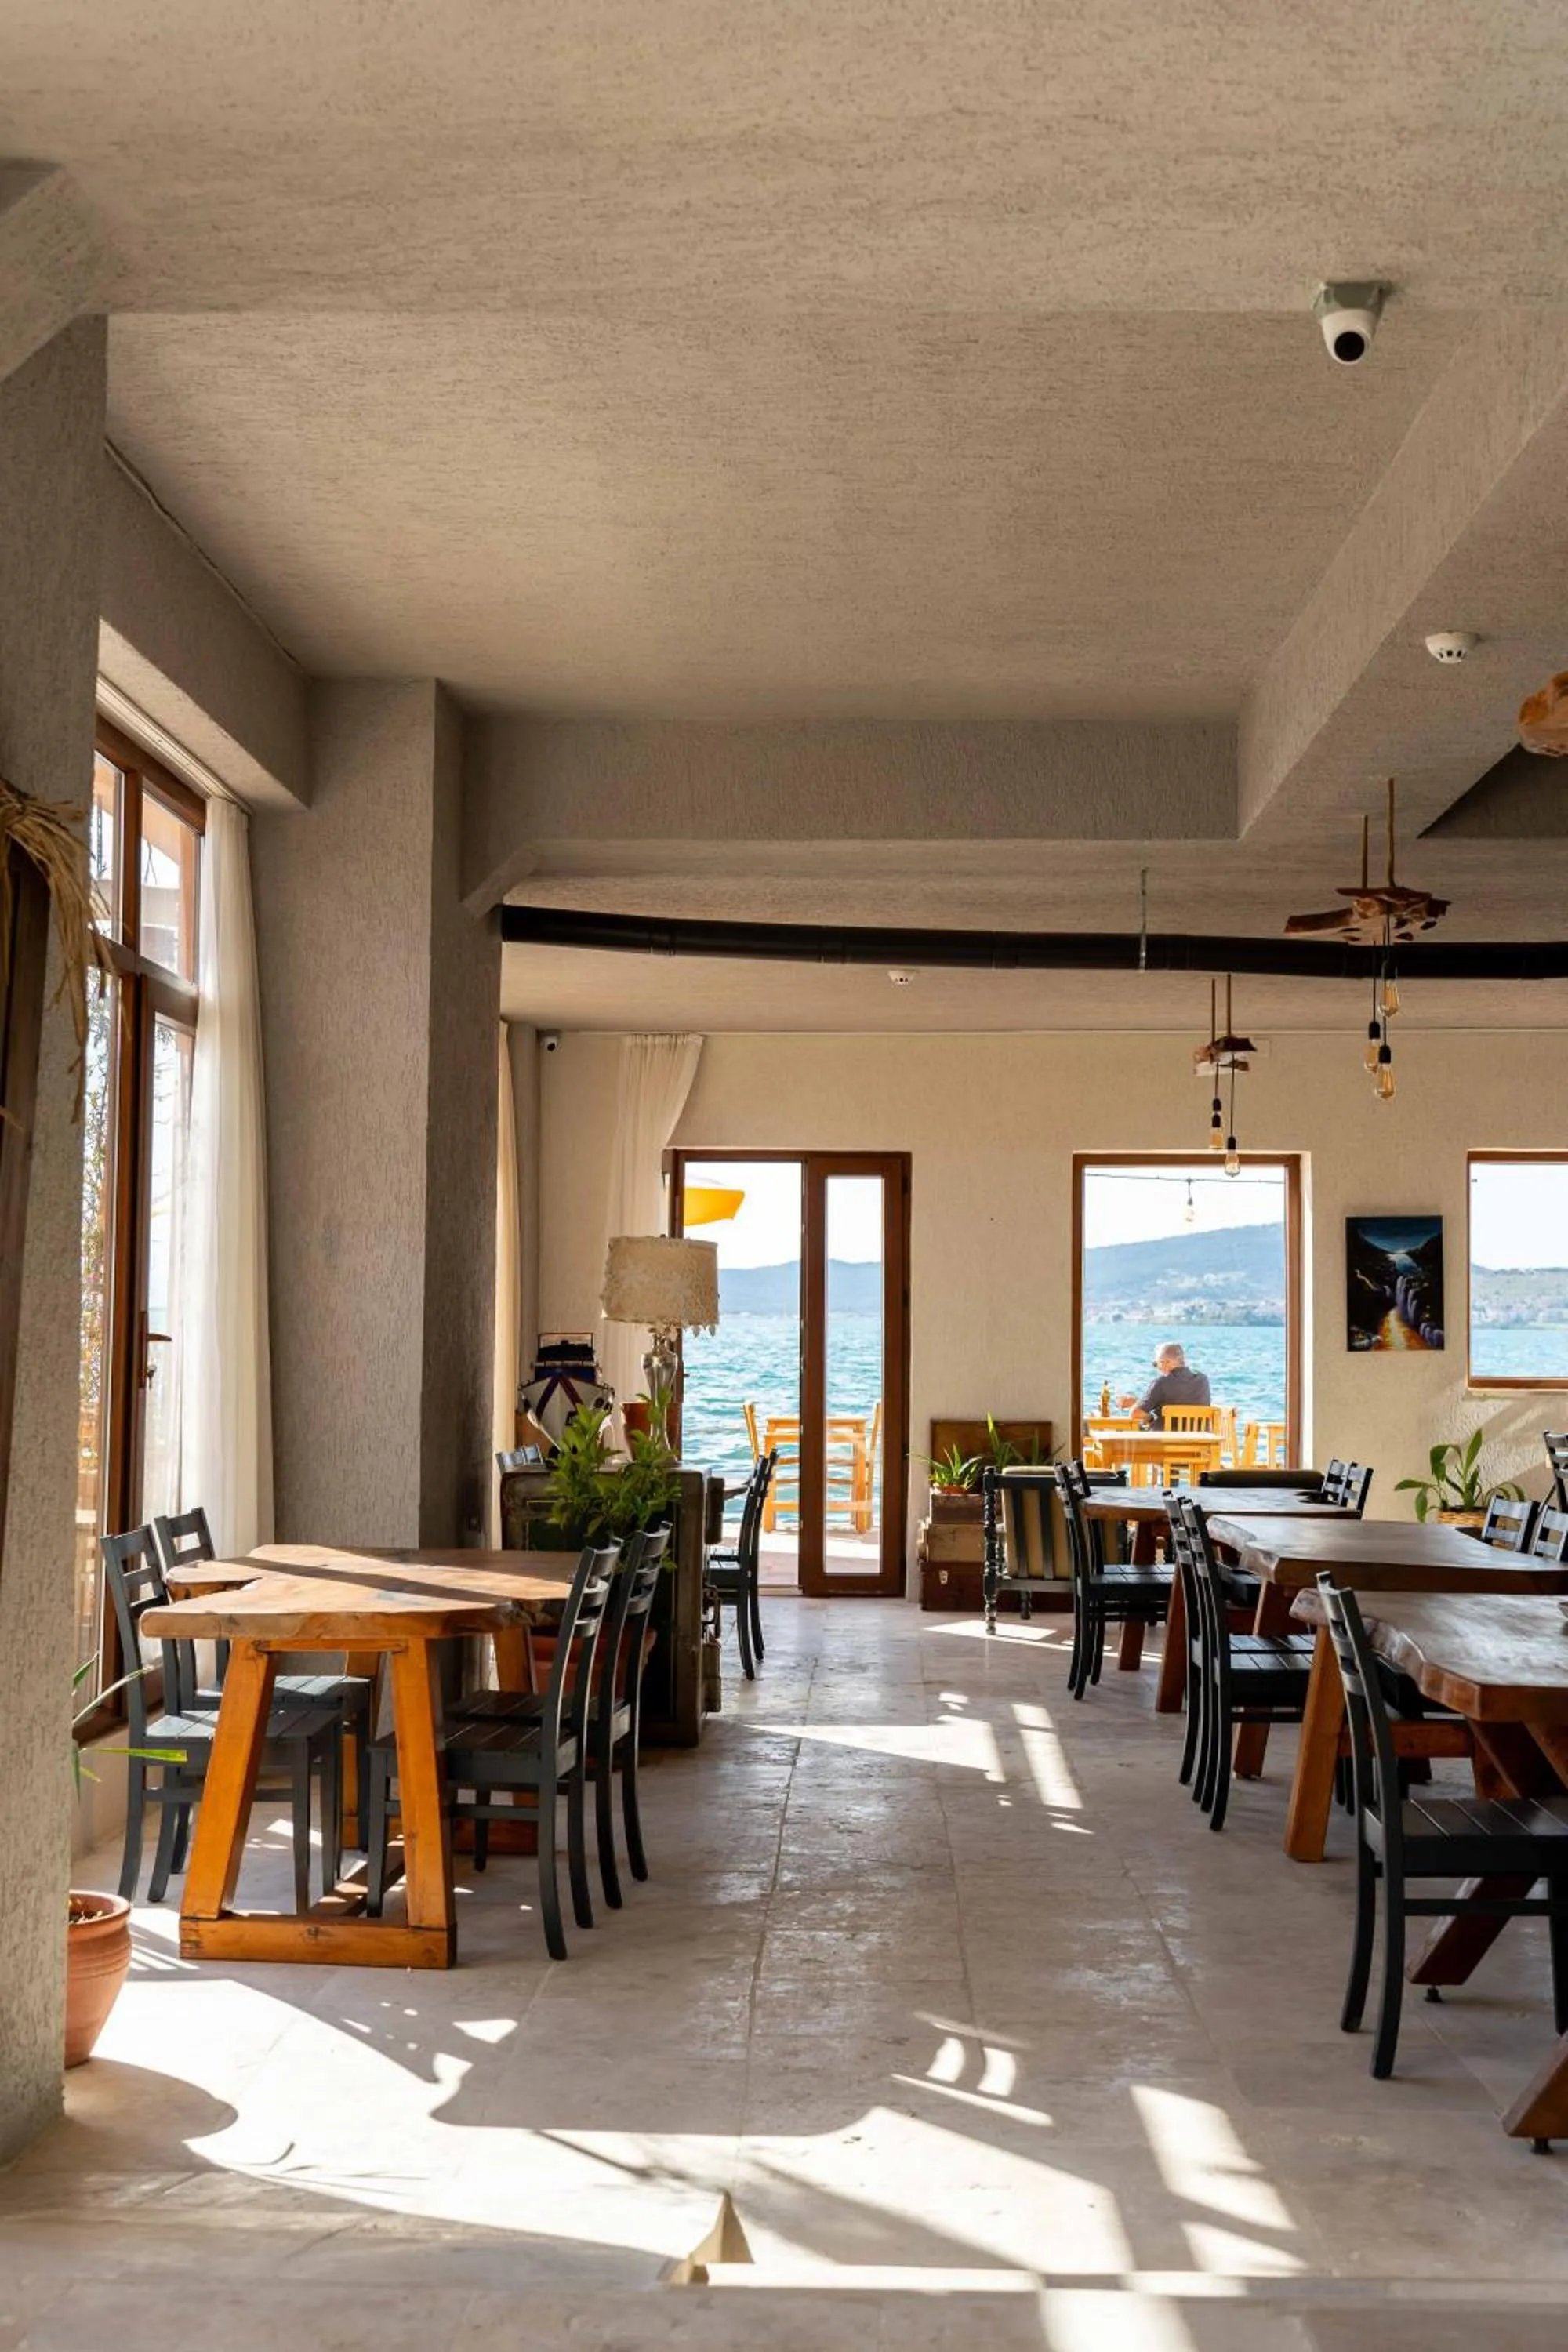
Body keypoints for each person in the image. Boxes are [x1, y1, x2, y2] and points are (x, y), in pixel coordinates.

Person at [1120, 1342, 1210, 1429]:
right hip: (1199, 1441)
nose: (1157, 1368)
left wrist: (1150, 1417)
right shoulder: (1203, 1380)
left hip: (1167, 1442)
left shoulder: (1162, 1382)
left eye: (1156, 1364)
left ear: (1165, 1363)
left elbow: (1135, 1414)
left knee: (1127, 1432)